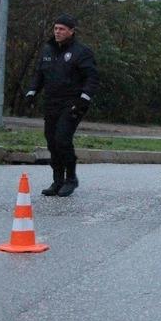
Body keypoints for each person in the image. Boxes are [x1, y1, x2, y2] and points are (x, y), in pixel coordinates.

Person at [26, 13, 99, 197]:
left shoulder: (81, 52)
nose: (57, 32)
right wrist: (32, 92)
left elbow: (92, 78)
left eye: (62, 29)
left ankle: (71, 179)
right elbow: (39, 74)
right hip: (52, 102)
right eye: (55, 28)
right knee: (51, 141)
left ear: (71, 31)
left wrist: (84, 98)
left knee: (62, 139)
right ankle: (57, 180)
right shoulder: (47, 50)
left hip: (73, 103)